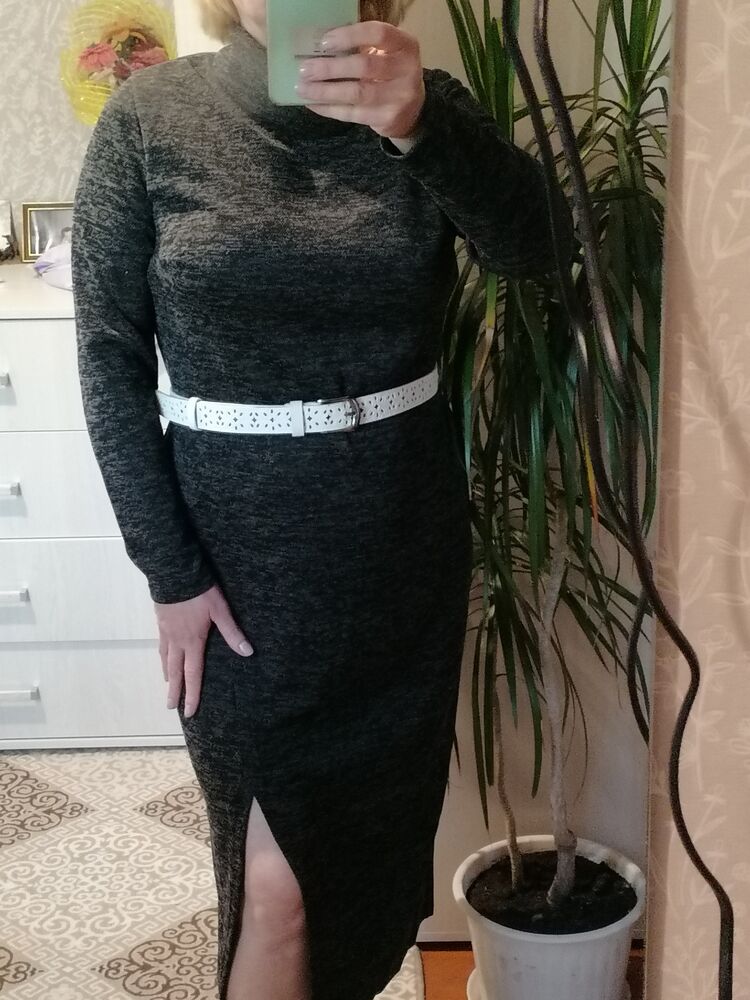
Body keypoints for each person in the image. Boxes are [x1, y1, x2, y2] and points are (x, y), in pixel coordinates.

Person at [71, 1, 575, 998]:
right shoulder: (150, 118)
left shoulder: (427, 106)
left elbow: (543, 246)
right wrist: (169, 572)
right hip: (239, 575)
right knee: (276, 886)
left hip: (398, 550)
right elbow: (108, 357)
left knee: (361, 873)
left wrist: (418, 126)